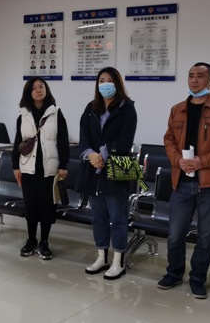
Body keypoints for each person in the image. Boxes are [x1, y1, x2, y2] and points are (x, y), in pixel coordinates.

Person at [159, 62, 210, 298]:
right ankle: (174, 273)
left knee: (206, 236)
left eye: (200, 76)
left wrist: (200, 162)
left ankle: (197, 278)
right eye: (191, 75)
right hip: (181, 181)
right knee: (175, 233)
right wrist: (177, 160)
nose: (194, 80)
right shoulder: (177, 110)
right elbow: (169, 140)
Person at [77, 67, 137, 280]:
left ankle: (118, 261)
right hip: (93, 169)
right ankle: (101, 257)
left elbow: (126, 140)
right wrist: (90, 155)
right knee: (99, 217)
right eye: (101, 80)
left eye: (109, 80)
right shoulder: (91, 107)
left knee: (118, 217)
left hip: (118, 167)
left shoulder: (127, 108)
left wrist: (102, 153)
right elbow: (83, 135)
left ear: (117, 83)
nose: (105, 84)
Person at [12, 77, 69, 260]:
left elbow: (63, 140)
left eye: (41, 86)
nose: (38, 90)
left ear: (46, 90)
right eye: (34, 87)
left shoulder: (56, 113)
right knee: (31, 206)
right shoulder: (23, 115)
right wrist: (15, 166)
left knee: (47, 207)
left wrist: (64, 165)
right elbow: (18, 142)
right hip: (28, 168)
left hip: (49, 168)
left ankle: (44, 242)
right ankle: (31, 240)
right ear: (28, 92)